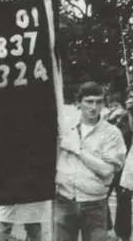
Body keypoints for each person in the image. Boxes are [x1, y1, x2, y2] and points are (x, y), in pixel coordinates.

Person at [55, 81, 127, 241]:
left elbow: (107, 170)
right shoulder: (67, 127)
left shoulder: (112, 133)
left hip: (94, 204)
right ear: (79, 103)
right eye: (89, 101)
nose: (94, 107)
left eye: (99, 101)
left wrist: (78, 151)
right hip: (65, 200)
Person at [104, 91, 132, 241]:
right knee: (101, 196)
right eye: (110, 105)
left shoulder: (129, 118)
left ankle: (123, 234)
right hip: (110, 165)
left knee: (124, 201)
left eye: (115, 105)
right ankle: (108, 229)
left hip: (125, 166)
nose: (112, 108)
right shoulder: (108, 120)